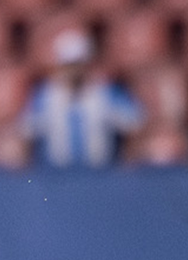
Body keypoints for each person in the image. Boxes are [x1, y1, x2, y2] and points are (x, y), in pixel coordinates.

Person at [18, 30, 144, 167]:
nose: (73, 71)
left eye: (78, 65)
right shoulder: (45, 96)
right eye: (69, 65)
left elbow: (134, 126)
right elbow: (26, 133)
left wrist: (127, 163)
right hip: (56, 176)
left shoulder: (106, 93)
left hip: (100, 174)